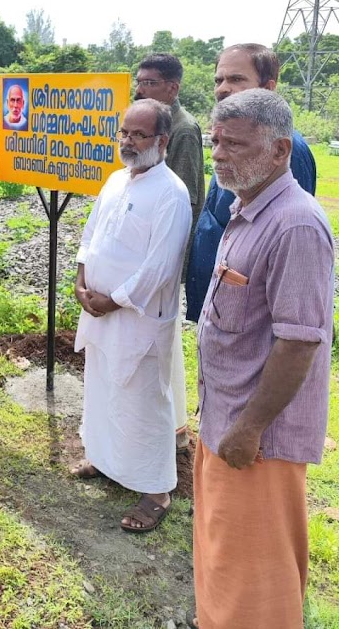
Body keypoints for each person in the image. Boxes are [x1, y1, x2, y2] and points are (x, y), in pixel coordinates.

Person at [190, 90, 333, 629]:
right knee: (223, 556)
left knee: (255, 576)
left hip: (257, 439)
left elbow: (299, 342)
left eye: (234, 144)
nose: (219, 154)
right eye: (216, 141)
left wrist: (250, 428)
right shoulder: (245, 205)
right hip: (225, 418)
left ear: (278, 150)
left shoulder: (295, 224)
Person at [72, 98, 192, 532]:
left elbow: (161, 266)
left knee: (143, 401)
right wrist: (82, 280)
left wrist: (113, 299)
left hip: (137, 316)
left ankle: (157, 491)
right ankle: (104, 460)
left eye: (137, 135)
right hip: (100, 311)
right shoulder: (115, 181)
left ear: (161, 140)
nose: (127, 141)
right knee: (102, 388)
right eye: (124, 132)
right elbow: (91, 234)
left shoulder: (171, 192)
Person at [186, 43, 316, 322]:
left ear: (268, 88)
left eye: (236, 79)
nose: (222, 88)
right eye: (219, 80)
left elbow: (289, 256)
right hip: (221, 312)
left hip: (249, 321)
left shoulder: (289, 150)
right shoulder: (230, 143)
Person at [134, 53, 204, 451]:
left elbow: (186, 199)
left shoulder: (183, 129)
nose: (142, 88)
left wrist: (168, 261)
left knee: (162, 337)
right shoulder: (147, 123)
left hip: (162, 253)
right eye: (140, 81)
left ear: (173, 87)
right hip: (141, 250)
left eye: (151, 82)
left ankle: (171, 426)